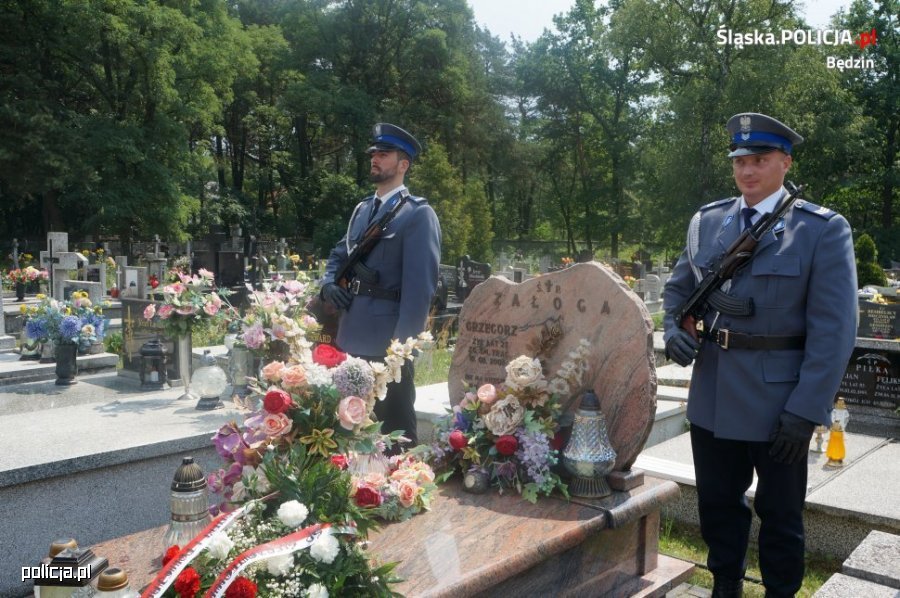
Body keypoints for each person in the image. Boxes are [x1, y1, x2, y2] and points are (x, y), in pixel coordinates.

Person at [662, 113, 857, 597]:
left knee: (781, 514)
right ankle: (725, 585)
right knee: (717, 504)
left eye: (760, 160)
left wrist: (806, 410)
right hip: (713, 393)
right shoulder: (709, 223)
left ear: (785, 162)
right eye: (740, 161)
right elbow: (678, 290)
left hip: (779, 403)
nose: (747, 171)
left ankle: (780, 592)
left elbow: (834, 331)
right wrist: (672, 329)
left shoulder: (820, 230)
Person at [320, 123, 441, 447]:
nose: (375, 159)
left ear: (403, 165)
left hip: (386, 346)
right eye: (374, 153)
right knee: (349, 433)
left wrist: (399, 352)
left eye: (384, 154)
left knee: (394, 438)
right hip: (350, 336)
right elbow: (339, 254)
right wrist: (328, 283)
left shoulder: (417, 215)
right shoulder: (362, 210)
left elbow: (420, 291)